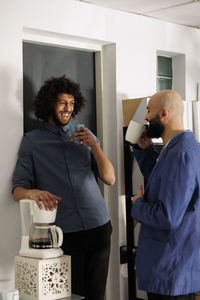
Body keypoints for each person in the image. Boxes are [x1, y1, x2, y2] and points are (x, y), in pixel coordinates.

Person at [12, 75, 115, 300]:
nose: (68, 108)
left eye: (71, 103)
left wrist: (94, 146)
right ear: (50, 104)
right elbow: (17, 190)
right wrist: (33, 192)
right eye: (62, 102)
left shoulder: (84, 135)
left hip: (99, 225)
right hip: (64, 233)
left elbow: (110, 178)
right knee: (72, 295)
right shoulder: (32, 142)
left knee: (97, 294)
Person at [131, 90, 200, 300]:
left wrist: (138, 205)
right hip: (173, 267)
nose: (145, 117)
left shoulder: (181, 153)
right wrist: (145, 152)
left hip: (171, 268)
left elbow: (167, 216)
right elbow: (166, 186)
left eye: (148, 111)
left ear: (163, 114)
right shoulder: (180, 147)